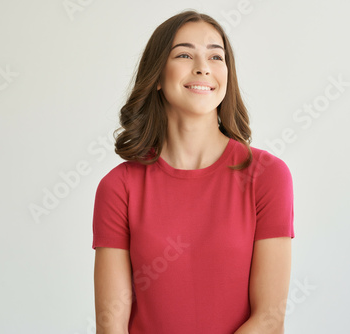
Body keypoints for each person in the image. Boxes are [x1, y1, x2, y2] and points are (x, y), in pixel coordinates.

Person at [91, 9, 295, 334]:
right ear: (157, 76)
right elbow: (111, 326)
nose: (203, 67)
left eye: (216, 57)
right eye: (185, 54)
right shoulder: (119, 187)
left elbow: (269, 319)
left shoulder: (267, 176)